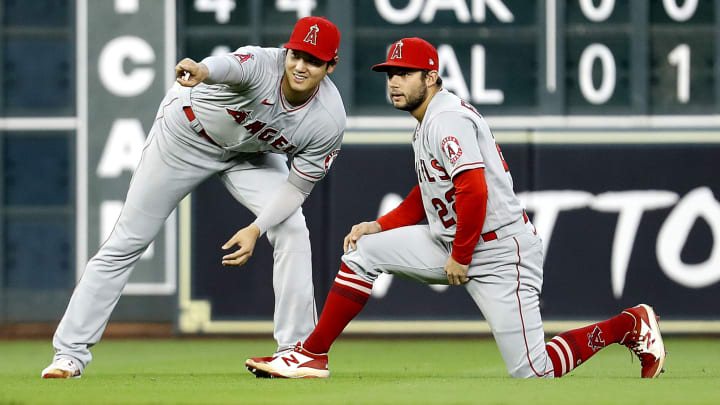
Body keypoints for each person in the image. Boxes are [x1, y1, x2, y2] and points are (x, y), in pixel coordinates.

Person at [244, 37, 666, 379]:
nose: (394, 82)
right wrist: (381, 225)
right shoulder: (428, 120)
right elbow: (432, 191)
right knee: (363, 253)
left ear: (431, 77)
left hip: (499, 251)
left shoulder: (446, 118)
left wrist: (461, 254)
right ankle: (312, 354)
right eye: (390, 74)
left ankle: (627, 326)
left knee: (534, 370)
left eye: (405, 74)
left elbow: (473, 190)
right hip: (451, 240)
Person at [41, 16, 346, 379]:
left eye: (313, 60)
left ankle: (295, 352)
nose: (300, 65)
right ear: (286, 50)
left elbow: (296, 188)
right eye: (296, 54)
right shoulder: (262, 63)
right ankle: (69, 354)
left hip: (250, 157)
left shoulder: (328, 119)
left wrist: (257, 228)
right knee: (128, 240)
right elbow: (226, 66)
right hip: (185, 136)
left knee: (292, 229)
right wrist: (201, 70)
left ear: (331, 65)